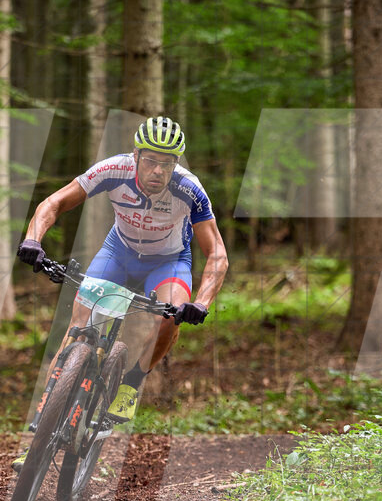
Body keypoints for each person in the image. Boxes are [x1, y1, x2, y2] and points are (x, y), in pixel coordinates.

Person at [13, 117, 228, 468]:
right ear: (135, 154)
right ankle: (40, 430)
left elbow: (217, 252)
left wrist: (200, 302)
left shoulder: (189, 190)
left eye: (167, 162)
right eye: (150, 160)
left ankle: (131, 381)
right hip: (118, 253)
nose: (158, 170)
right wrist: (33, 239)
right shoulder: (112, 169)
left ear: (177, 164)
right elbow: (53, 203)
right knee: (78, 327)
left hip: (169, 261)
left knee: (172, 314)